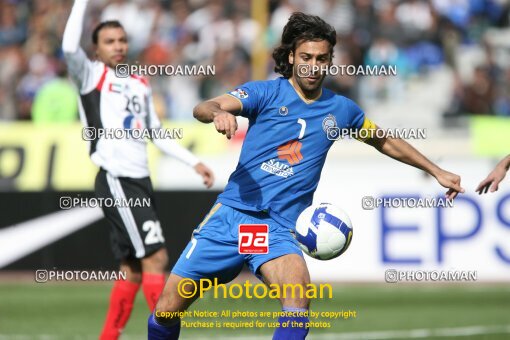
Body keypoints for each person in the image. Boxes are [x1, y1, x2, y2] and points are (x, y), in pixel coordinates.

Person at [148, 12, 464, 340]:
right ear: (291, 57)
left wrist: (436, 170)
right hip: (232, 216)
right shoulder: (265, 93)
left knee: (298, 301)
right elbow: (206, 105)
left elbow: (383, 140)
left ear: (330, 62)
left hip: (278, 228)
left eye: (321, 59)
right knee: (167, 309)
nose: (313, 66)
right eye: (306, 57)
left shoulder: (342, 110)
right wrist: (218, 113)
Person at [62, 1, 214, 339]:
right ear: (96, 50)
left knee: (131, 267)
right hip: (116, 179)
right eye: (109, 41)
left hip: (140, 181)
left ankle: (108, 337)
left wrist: (193, 162)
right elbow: (68, 47)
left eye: (122, 40)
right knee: (157, 258)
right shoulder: (91, 76)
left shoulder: (140, 82)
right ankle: (164, 332)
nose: (118, 46)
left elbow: (156, 132)